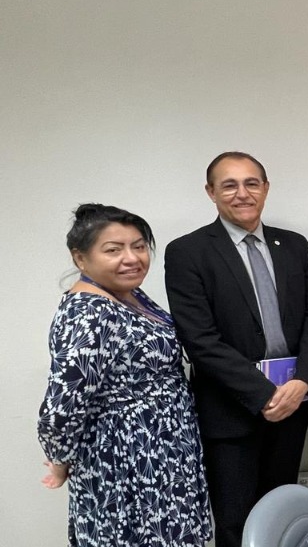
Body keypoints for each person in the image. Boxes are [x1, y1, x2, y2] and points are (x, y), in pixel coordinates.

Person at [164, 152, 308, 547]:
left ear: (266, 188)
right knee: (236, 523)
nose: (242, 193)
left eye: (252, 183)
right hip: (230, 412)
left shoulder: (293, 245)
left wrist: (302, 381)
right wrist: (264, 394)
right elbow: (199, 340)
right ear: (211, 192)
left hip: (291, 406)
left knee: (283, 515)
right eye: (229, 185)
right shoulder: (188, 252)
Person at [38, 203, 212, 546]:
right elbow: (61, 407)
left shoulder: (128, 294)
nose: (132, 258)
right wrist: (60, 459)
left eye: (139, 246)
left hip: (163, 449)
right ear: (80, 258)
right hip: (127, 456)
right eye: (113, 250)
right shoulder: (88, 314)